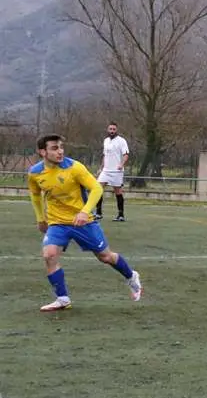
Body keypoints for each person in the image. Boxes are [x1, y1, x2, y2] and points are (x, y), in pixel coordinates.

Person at [27, 134, 143, 311]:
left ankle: (131, 276)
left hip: (83, 222)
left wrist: (84, 212)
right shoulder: (35, 173)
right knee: (49, 255)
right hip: (57, 222)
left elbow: (96, 188)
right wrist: (40, 218)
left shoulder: (74, 167)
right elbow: (35, 195)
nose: (60, 151)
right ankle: (63, 299)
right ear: (42, 152)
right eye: (54, 148)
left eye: (61, 147)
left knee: (105, 257)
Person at [95, 122, 130, 222]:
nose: (112, 131)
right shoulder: (106, 141)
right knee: (97, 188)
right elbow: (105, 155)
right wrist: (101, 168)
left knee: (118, 192)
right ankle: (98, 213)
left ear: (116, 130)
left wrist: (121, 164)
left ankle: (121, 214)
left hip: (116, 171)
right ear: (107, 130)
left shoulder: (121, 141)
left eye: (114, 129)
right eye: (110, 129)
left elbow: (126, 154)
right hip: (106, 170)